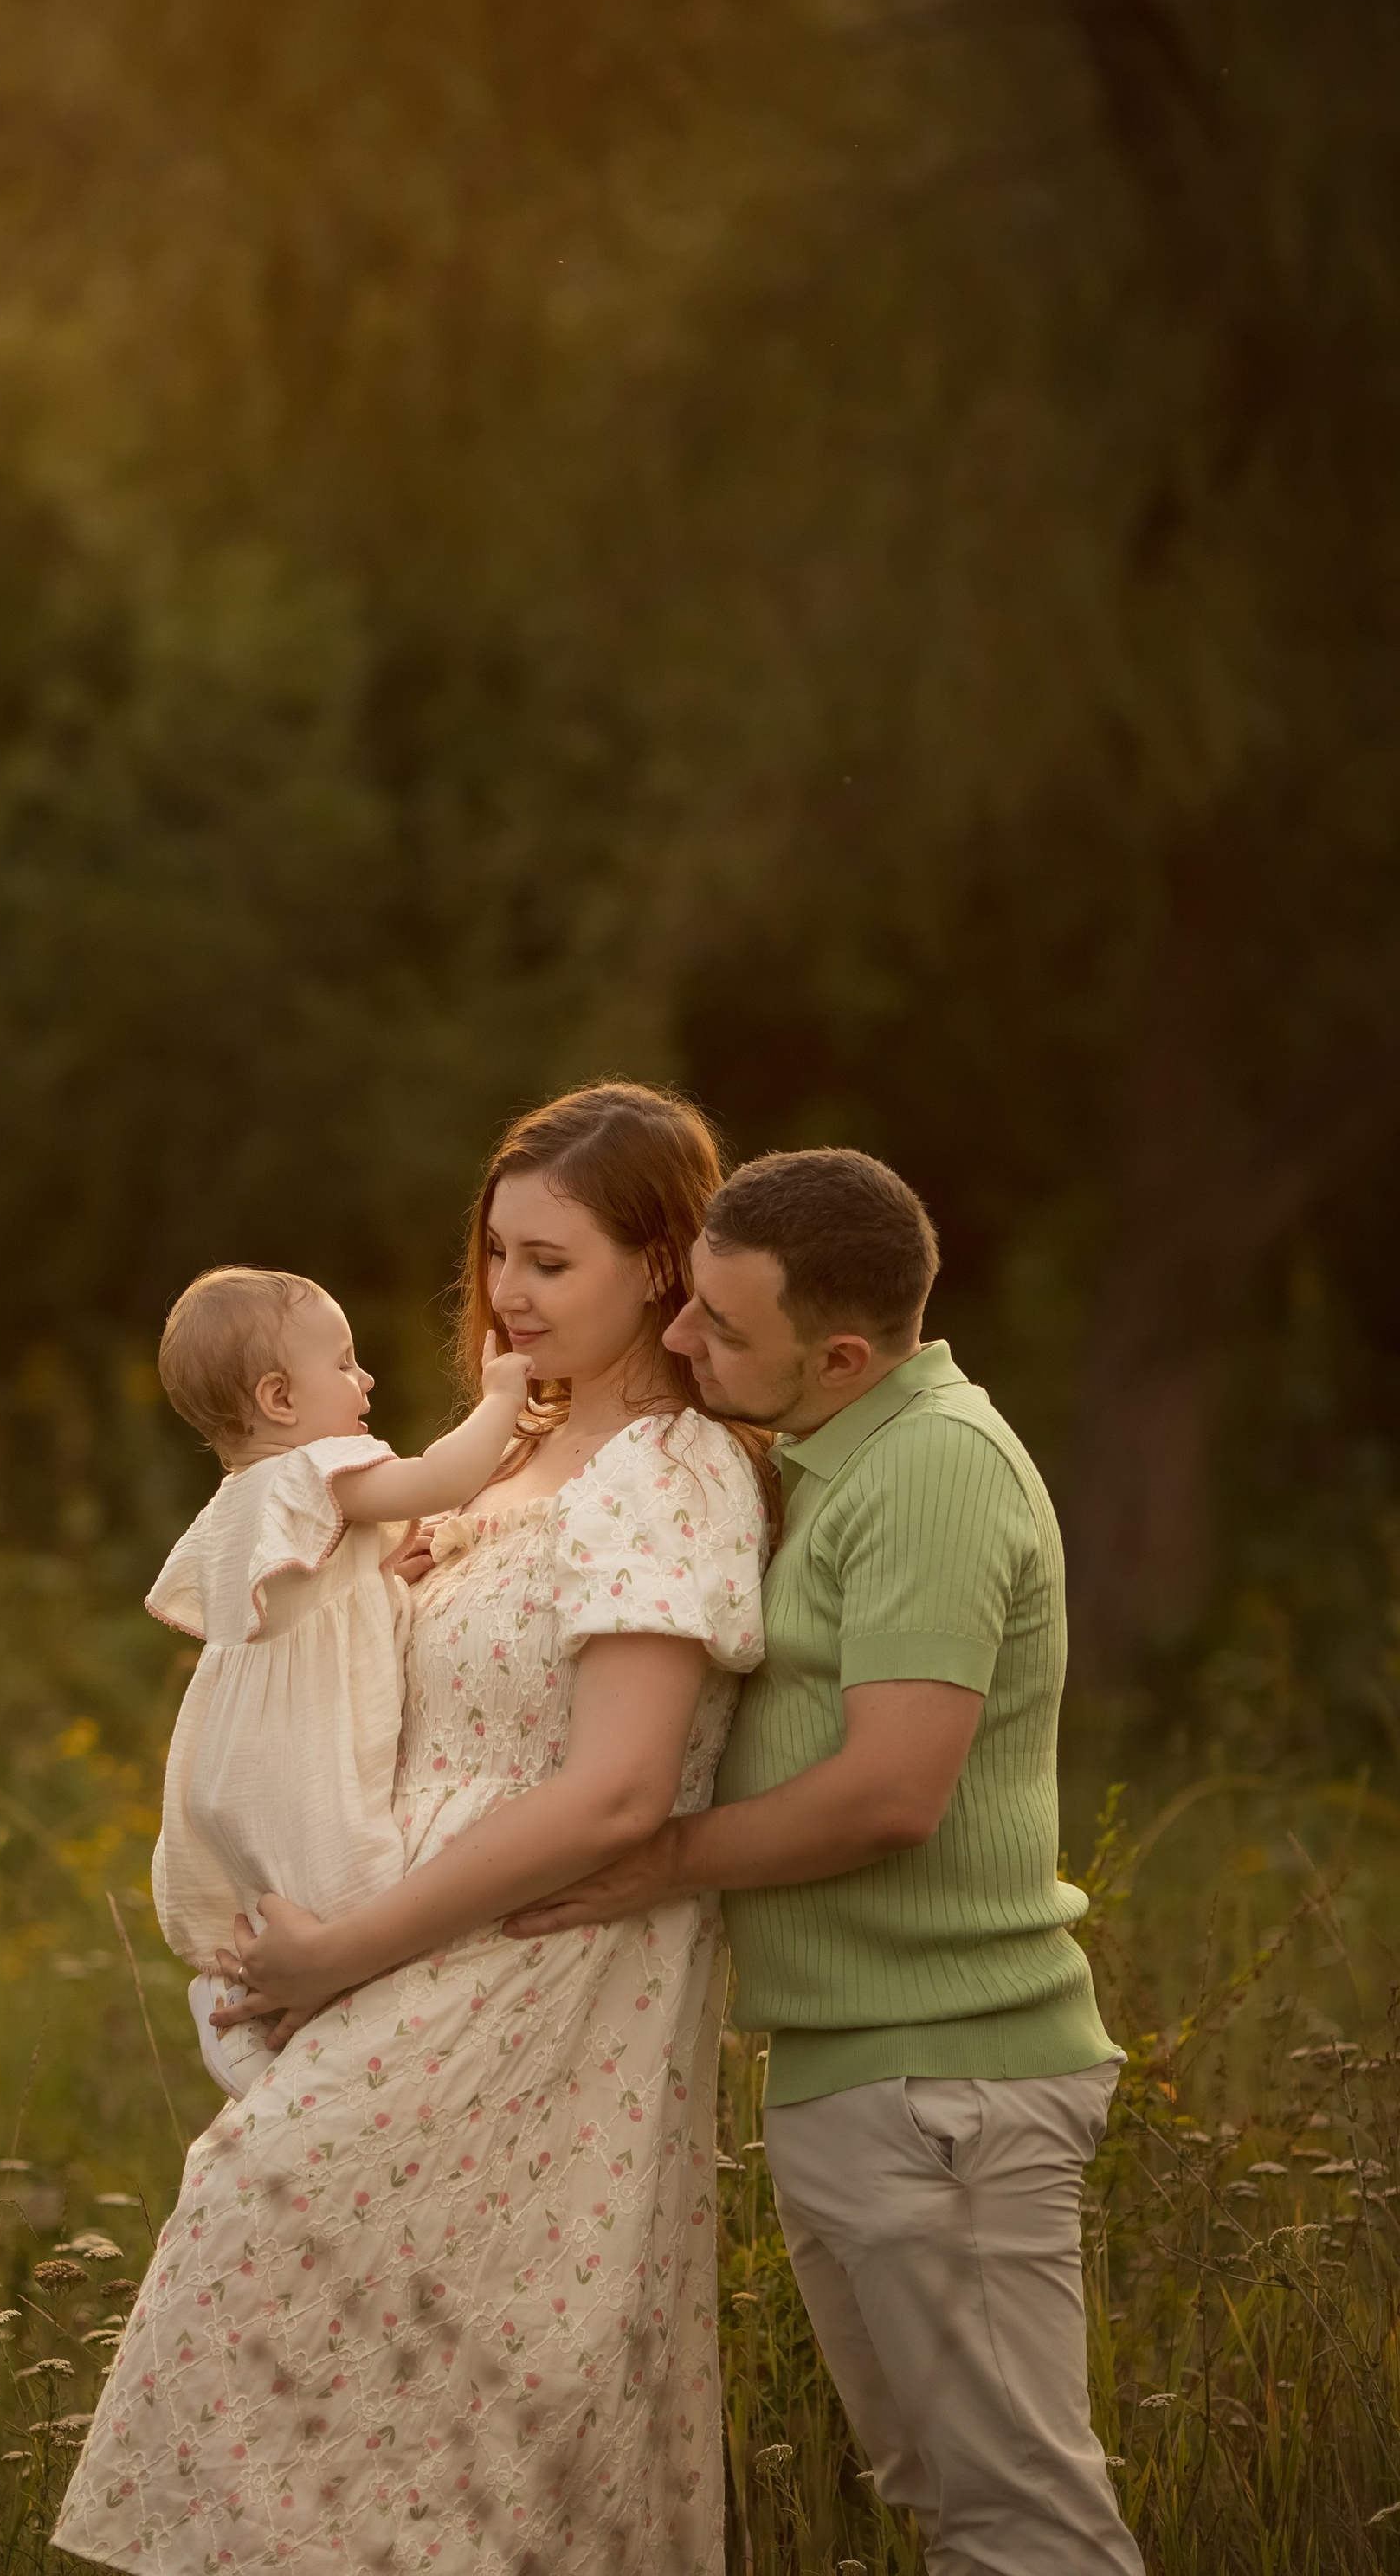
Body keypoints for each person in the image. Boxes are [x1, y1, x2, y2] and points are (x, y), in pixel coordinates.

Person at [55, 1082, 772, 2576]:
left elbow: (620, 1789)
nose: (509, 1294)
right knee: (304, 2399)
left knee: (449, 2425)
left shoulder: (667, 1472)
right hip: (397, 1972)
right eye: (498, 1254)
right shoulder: (503, 1459)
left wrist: (340, 1955)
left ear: (660, 1266)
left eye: (552, 1262)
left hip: (520, 1989)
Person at [506, 1144, 1141, 2576]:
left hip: (948, 2082)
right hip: (866, 2072)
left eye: (723, 1327)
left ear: (843, 1353)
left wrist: (659, 1859)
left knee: (1023, 2524)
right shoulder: (837, 1460)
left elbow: (891, 1793)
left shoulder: (931, 1471)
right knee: (953, 2505)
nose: (681, 1337)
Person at [145, 1262, 539, 2091]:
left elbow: (316, 1601)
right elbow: (439, 1479)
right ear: (281, 1400)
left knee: (282, 1894)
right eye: (346, 1362)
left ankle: (241, 1991)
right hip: (296, 1757)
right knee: (354, 1893)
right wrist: (504, 1399)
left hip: (235, 1759)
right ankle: (273, 2027)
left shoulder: (243, 1495)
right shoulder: (317, 1468)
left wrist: (385, 1577)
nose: (365, 1379)